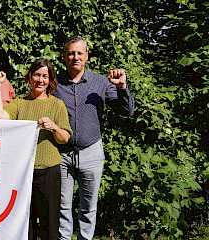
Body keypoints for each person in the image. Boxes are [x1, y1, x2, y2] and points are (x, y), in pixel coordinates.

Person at [52, 36, 135, 240]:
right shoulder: (54, 84)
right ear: (64, 56)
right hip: (61, 155)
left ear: (86, 56)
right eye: (71, 53)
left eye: (80, 53)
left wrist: (122, 87)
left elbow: (128, 111)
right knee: (62, 205)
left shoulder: (101, 82)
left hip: (91, 152)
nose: (75, 57)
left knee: (88, 205)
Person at [0, 58, 73, 240]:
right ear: (30, 77)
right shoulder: (20, 104)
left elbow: (65, 138)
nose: (40, 80)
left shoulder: (57, 105)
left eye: (45, 76)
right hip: (22, 173)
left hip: (49, 172)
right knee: (24, 222)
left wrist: (54, 127)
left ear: (50, 80)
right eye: (37, 75)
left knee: (50, 224)